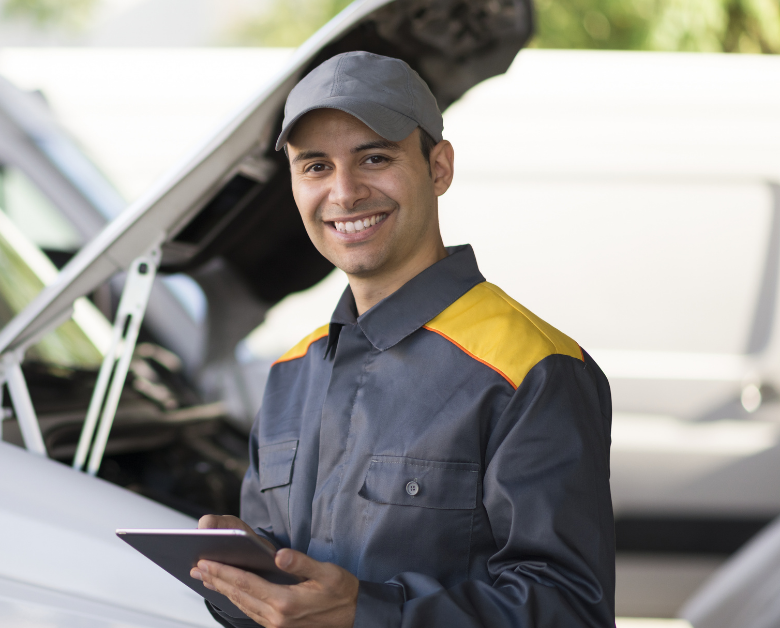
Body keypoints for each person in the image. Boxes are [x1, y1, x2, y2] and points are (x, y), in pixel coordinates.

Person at [189, 51, 615, 628]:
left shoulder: (533, 369)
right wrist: (239, 583)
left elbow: (571, 611)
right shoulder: (291, 372)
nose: (344, 192)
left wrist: (366, 613)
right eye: (315, 166)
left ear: (439, 167)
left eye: (374, 157)